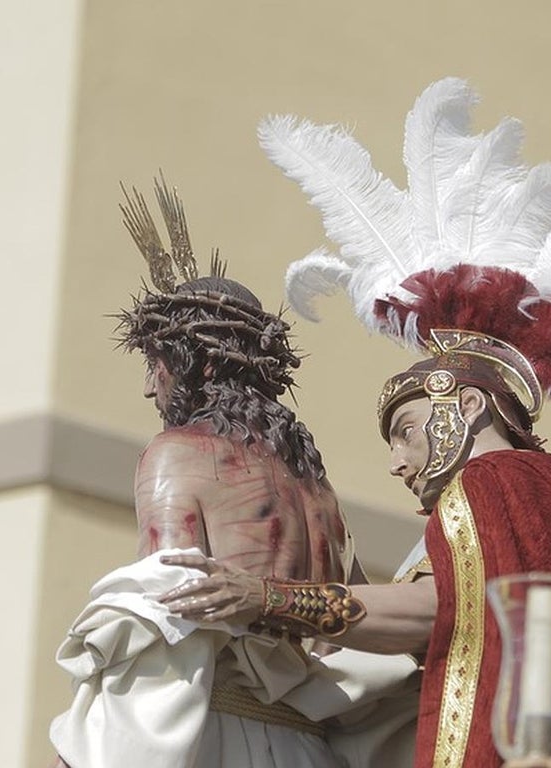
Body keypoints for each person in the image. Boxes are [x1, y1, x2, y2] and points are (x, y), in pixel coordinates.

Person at [161, 78, 551, 767]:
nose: (397, 462)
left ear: (463, 406)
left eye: (403, 431)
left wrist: (267, 597)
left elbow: (446, 610)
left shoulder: (503, 485)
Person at [48, 179, 421, 768]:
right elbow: (342, 629)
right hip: (310, 746)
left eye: (156, 363)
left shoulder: (175, 453)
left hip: (214, 735)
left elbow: (168, 617)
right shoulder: (319, 490)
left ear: (190, 361)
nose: (149, 385)